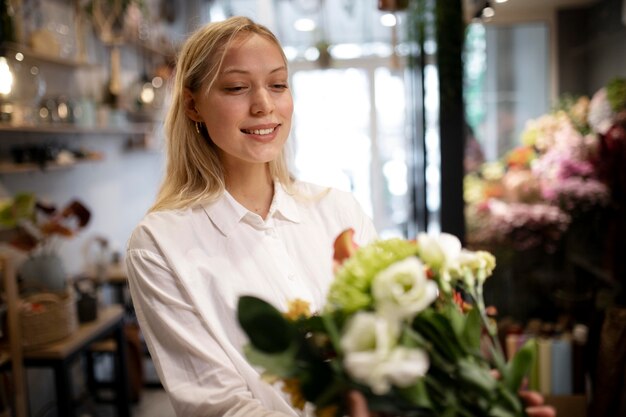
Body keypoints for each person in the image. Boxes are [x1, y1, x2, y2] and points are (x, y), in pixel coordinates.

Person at [125, 16, 555, 417]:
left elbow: (401, 349)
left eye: (277, 85)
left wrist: (471, 398)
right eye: (236, 88)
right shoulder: (160, 244)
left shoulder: (337, 210)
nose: (263, 106)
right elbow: (218, 406)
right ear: (193, 105)